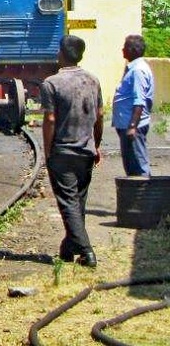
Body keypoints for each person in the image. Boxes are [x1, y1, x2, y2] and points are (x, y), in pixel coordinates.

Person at [41, 34, 103, 267]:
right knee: (77, 202)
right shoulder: (93, 80)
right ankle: (68, 248)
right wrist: (96, 145)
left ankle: (87, 252)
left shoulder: (52, 83)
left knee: (68, 202)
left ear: (61, 54)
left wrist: (48, 150)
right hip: (86, 150)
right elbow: (99, 116)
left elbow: (50, 118)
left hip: (62, 151)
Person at [112, 34, 155, 177]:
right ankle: (135, 196)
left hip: (132, 126)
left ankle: (145, 195)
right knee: (131, 165)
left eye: (125, 47)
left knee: (138, 165)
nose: (122, 49)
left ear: (131, 50)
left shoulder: (137, 71)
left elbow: (139, 101)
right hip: (127, 124)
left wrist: (132, 126)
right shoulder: (134, 68)